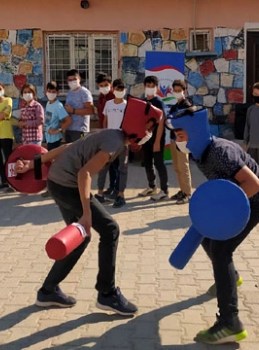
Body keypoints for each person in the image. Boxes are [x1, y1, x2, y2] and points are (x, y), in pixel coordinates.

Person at [13, 98, 160, 317]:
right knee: (110, 230)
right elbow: (85, 174)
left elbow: (67, 147)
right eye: (148, 127)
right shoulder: (115, 143)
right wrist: (87, 214)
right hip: (67, 185)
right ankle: (107, 294)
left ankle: (48, 290)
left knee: (81, 236)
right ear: (138, 123)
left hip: (57, 183)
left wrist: (34, 162)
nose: (149, 132)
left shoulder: (111, 134)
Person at [168, 106, 259, 345]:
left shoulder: (219, 152)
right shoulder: (200, 151)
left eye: (180, 134)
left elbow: (254, 185)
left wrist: (222, 211)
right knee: (209, 238)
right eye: (175, 134)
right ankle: (230, 277)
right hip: (238, 197)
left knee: (221, 250)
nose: (177, 140)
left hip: (257, 200)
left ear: (195, 131)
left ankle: (230, 323)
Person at [95, 79, 129, 208]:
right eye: (117, 89)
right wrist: (104, 135)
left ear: (125, 90)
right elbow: (105, 121)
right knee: (103, 167)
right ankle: (100, 193)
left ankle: (120, 195)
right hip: (109, 141)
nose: (119, 91)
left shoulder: (127, 105)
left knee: (122, 169)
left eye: (122, 89)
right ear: (113, 90)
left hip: (123, 140)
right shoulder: (108, 104)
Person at [136, 75, 170, 202]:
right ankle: (152, 186)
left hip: (157, 139)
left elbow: (161, 123)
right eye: (148, 86)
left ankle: (164, 190)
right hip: (146, 138)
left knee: (159, 164)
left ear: (157, 88)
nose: (150, 88)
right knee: (147, 163)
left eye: (152, 86)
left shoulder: (158, 102)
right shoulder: (143, 101)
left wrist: (157, 141)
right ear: (144, 87)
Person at [166, 79, 193, 204]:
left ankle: (187, 193)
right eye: (175, 91)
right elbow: (169, 122)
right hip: (173, 139)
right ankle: (182, 190)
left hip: (182, 140)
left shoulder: (187, 105)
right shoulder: (175, 106)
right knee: (177, 167)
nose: (177, 92)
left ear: (184, 91)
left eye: (179, 91)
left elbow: (188, 122)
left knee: (183, 167)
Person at [97, 73, 117, 196]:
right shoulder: (100, 97)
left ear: (111, 85)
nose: (104, 87)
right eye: (101, 85)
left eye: (106, 85)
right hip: (103, 133)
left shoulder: (113, 97)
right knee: (107, 163)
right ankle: (111, 186)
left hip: (112, 134)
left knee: (115, 164)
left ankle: (115, 188)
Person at [63, 69, 94, 143]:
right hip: (69, 128)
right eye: (70, 80)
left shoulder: (84, 92)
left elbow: (91, 110)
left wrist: (73, 111)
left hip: (80, 130)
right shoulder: (70, 93)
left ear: (79, 79)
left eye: (74, 79)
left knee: (80, 153)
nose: (72, 82)